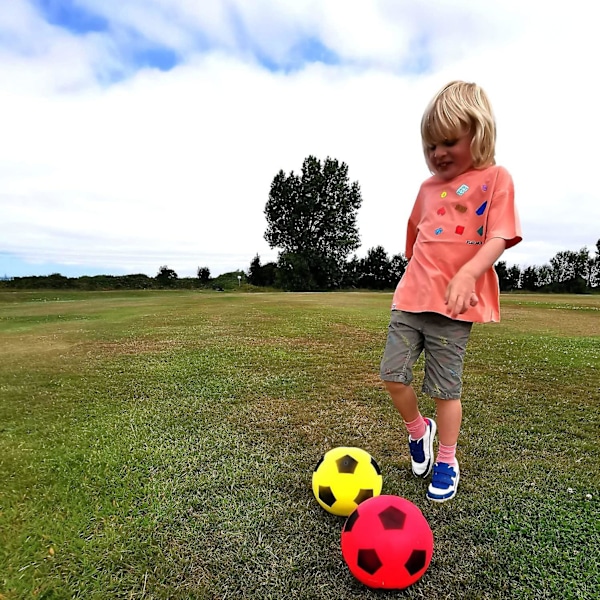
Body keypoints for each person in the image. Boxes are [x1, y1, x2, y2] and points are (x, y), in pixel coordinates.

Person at [380, 80, 522, 502]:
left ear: (478, 135)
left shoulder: (496, 179)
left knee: (445, 390)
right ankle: (417, 430)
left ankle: (446, 458)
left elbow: (499, 236)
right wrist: (416, 275)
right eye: (429, 147)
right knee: (392, 375)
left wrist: (467, 274)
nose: (437, 153)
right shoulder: (425, 190)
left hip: (454, 309)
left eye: (447, 142)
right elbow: (416, 242)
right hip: (410, 300)